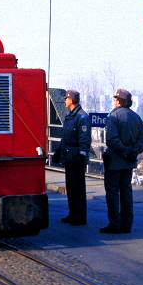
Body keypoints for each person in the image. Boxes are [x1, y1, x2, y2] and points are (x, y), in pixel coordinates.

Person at [100, 88, 143, 234]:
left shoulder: (113, 116)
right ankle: (127, 224)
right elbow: (142, 141)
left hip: (115, 161)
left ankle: (114, 224)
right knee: (126, 192)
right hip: (129, 162)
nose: (113, 101)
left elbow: (111, 139)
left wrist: (124, 151)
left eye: (115, 99)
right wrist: (132, 152)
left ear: (119, 101)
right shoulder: (136, 117)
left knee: (113, 192)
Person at [59, 89, 91, 226]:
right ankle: (73, 213)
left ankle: (80, 217)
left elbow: (84, 138)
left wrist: (82, 154)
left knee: (78, 188)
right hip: (69, 155)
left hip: (76, 156)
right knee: (71, 187)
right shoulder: (70, 116)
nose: (65, 101)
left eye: (66, 99)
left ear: (71, 100)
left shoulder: (82, 117)